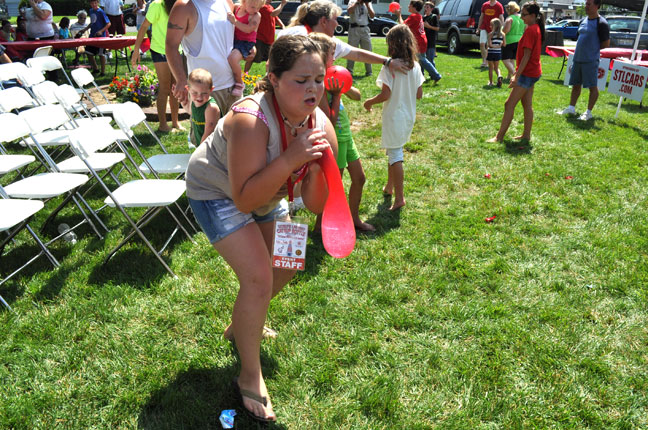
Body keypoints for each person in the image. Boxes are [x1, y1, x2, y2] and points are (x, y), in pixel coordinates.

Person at [185, 35, 336, 423]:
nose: (313, 89)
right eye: (301, 80)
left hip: (268, 190)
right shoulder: (250, 120)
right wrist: (291, 159)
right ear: (273, 78)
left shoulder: (320, 122)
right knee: (257, 280)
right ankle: (249, 376)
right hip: (218, 191)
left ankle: (242, 323)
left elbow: (317, 205)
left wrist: (316, 167)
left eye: (319, 79)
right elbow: (245, 200)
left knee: (288, 262)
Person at [310, 32, 374, 231]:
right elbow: (329, 119)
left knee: (359, 178)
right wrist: (336, 95)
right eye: (331, 54)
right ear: (321, 57)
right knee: (331, 185)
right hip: (333, 140)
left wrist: (344, 81)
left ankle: (354, 218)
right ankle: (321, 224)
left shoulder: (333, 75)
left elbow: (357, 95)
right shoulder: (318, 84)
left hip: (346, 136)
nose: (334, 57)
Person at [363, 24, 424, 211]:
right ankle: (390, 187)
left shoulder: (390, 67)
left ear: (392, 45)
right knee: (392, 151)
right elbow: (419, 94)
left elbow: (385, 95)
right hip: (407, 117)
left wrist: (369, 102)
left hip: (394, 117)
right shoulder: (415, 67)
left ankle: (400, 198)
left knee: (395, 154)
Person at [167, 0, 255, 116]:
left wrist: (248, 48)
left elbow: (228, 35)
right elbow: (171, 46)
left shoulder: (227, 2)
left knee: (235, 133)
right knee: (205, 134)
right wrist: (181, 80)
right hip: (204, 92)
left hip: (233, 88)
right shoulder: (184, 7)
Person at [279, 0, 410, 76]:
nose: (337, 24)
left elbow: (357, 54)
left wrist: (387, 61)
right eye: (335, 19)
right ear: (324, 21)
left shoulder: (327, 41)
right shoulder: (297, 34)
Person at [487, 1, 544, 143]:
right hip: (532, 72)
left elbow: (527, 56)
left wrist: (516, 76)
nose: (522, 17)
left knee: (509, 104)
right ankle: (526, 135)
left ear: (533, 15)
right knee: (527, 105)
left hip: (527, 74)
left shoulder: (531, 30)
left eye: (524, 15)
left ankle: (499, 137)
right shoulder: (534, 27)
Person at [132, 0, 184, 132]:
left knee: (175, 88)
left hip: (177, 51)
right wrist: (136, 49)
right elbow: (143, 27)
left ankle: (175, 122)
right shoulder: (156, 5)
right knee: (165, 87)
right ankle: (162, 125)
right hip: (160, 51)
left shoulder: (181, 4)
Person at [557, 0, 609, 121]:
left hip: (590, 60)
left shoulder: (602, 23)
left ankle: (588, 112)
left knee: (592, 86)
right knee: (575, 85)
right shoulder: (583, 20)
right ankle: (571, 108)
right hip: (578, 58)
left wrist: (591, 49)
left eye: (589, 4)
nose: (586, 7)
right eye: (586, 4)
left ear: (597, 6)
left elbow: (605, 44)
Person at [394, 0, 440, 83]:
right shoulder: (417, 16)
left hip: (418, 42)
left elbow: (402, 26)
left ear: (414, 7)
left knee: (422, 59)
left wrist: (399, 15)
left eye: (410, 5)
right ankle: (418, 77)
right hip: (421, 41)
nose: (408, 6)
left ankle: (436, 75)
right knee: (419, 59)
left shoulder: (414, 16)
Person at [226, 0, 264, 97]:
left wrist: (235, 21)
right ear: (244, 2)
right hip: (235, 40)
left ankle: (239, 83)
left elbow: (248, 29)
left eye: (258, 8)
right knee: (230, 59)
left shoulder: (256, 15)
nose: (256, 10)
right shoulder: (236, 8)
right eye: (253, 7)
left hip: (246, 43)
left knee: (232, 59)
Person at [178, 68, 220, 146]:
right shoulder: (194, 102)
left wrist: (200, 151)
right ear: (188, 89)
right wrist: (185, 106)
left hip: (213, 147)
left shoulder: (211, 108)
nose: (199, 97)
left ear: (211, 89)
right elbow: (194, 114)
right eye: (194, 93)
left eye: (204, 93)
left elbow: (209, 132)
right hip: (203, 145)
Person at [244, 0, 287, 74]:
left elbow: (276, 18)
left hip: (269, 39)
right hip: (260, 38)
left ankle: (268, 76)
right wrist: (282, 4)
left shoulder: (270, 7)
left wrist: (283, 26)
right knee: (252, 57)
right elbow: (273, 14)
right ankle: (244, 74)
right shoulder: (262, 6)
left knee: (271, 60)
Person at [81, 0, 111, 75]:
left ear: (98, 3)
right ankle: (95, 68)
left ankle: (103, 72)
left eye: (95, 3)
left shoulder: (101, 12)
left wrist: (101, 31)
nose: (93, 4)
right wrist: (85, 29)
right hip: (92, 35)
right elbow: (92, 22)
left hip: (101, 37)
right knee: (88, 52)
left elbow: (108, 23)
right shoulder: (91, 11)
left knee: (101, 54)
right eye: (92, 3)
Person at [346, 0, 375, 77]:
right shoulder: (352, 1)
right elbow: (349, 11)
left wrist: (367, 4)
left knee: (368, 50)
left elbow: (372, 15)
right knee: (351, 50)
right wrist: (357, 2)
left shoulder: (368, 3)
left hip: (365, 28)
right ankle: (349, 71)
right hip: (354, 28)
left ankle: (369, 72)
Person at [476, 0, 504, 68]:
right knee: (482, 44)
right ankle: (484, 61)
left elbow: (501, 17)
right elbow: (481, 17)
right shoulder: (485, 5)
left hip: (494, 28)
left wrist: (501, 28)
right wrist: (478, 28)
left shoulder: (499, 5)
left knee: (489, 45)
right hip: (484, 27)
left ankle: (489, 61)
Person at [502, 1, 523, 82]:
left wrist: (501, 30)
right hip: (519, 40)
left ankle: (515, 74)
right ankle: (509, 76)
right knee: (512, 59)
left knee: (505, 59)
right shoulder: (521, 17)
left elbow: (505, 30)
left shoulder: (510, 18)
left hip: (509, 41)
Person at [423, 2, 442, 83]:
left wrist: (429, 26)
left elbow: (437, 28)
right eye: (425, 7)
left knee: (430, 58)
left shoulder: (434, 17)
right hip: (423, 41)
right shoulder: (423, 18)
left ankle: (433, 75)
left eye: (427, 7)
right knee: (423, 58)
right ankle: (422, 75)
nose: (426, 9)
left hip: (431, 41)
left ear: (431, 9)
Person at [487, 18, 505, 87]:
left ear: (494, 26)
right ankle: (499, 75)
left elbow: (489, 45)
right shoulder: (503, 35)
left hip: (491, 53)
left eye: (491, 25)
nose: (490, 26)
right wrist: (499, 45)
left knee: (490, 68)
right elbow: (504, 44)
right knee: (496, 68)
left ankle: (491, 83)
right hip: (498, 53)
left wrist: (494, 46)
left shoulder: (490, 34)